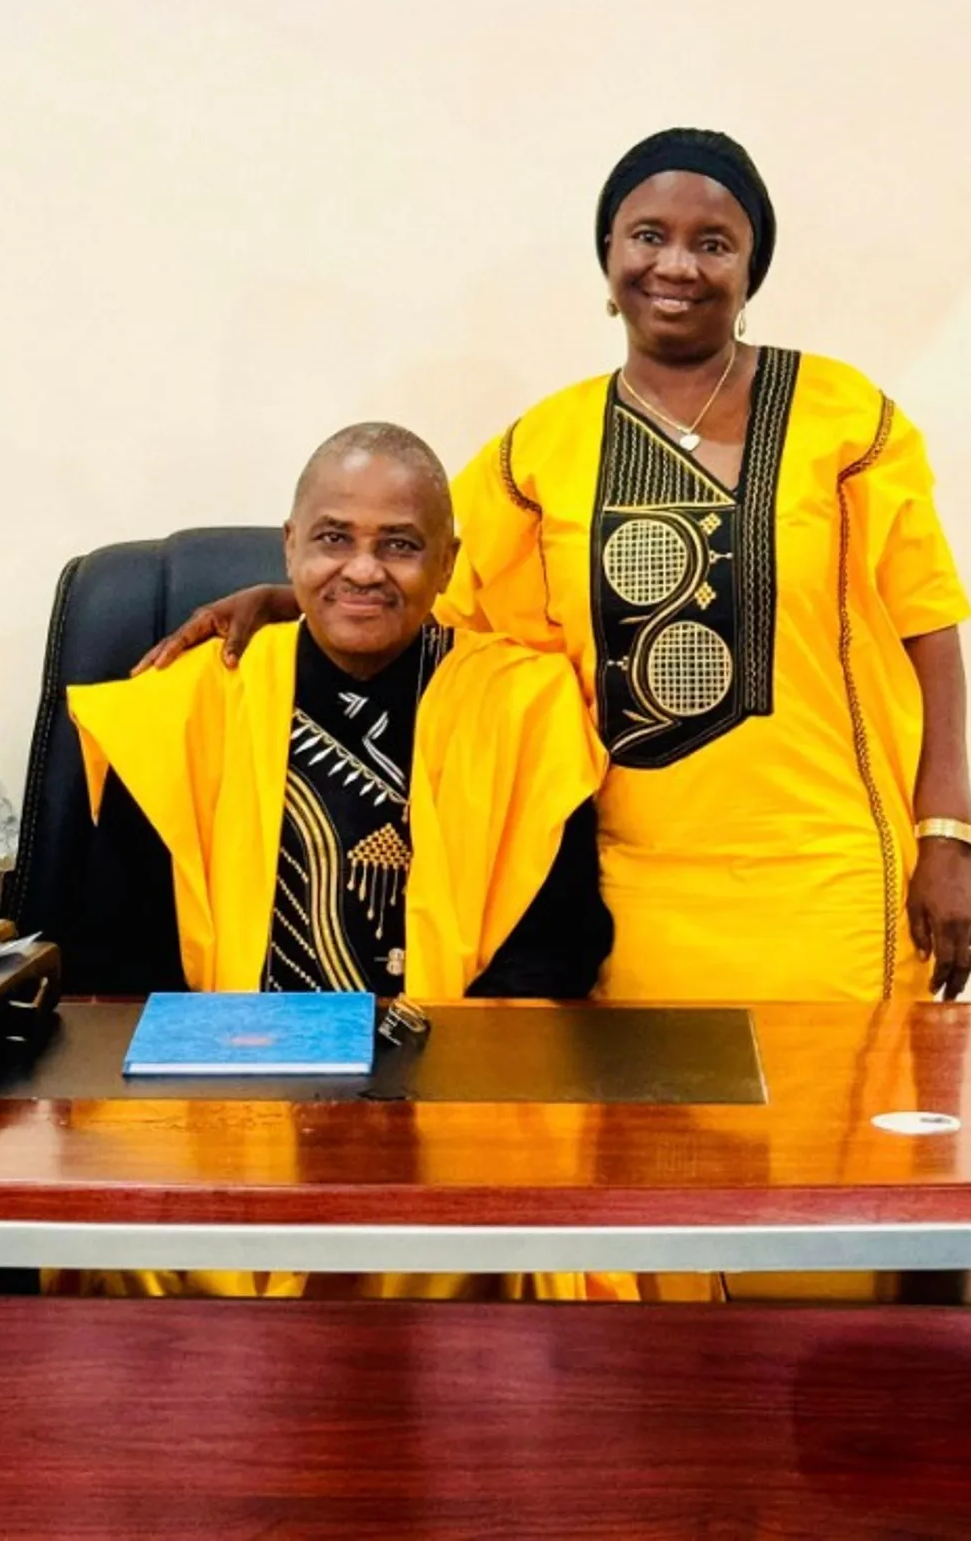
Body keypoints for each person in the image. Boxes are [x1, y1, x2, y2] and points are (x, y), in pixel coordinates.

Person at [145, 127, 971, 1012]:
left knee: (832, 1143)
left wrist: (948, 838)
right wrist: (291, 597)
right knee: (651, 1144)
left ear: (751, 271)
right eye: (648, 235)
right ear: (609, 257)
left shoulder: (847, 419)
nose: (677, 266)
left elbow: (930, 626)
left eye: (713, 243)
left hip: (832, 877)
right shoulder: (540, 452)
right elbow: (430, 589)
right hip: (635, 887)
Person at [52, 420, 624, 1301]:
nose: (363, 569)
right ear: (290, 546)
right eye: (333, 539)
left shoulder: (522, 708)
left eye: (399, 544)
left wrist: (409, 1099)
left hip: (447, 1099)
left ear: (446, 561)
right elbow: (117, 954)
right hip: (216, 1091)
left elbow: (558, 948)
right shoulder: (193, 702)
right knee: (142, 1225)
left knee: (456, 1240)